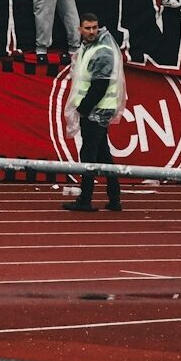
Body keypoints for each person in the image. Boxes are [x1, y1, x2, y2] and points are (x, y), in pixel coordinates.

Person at [62, 14, 126, 213]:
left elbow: (99, 86)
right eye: (87, 28)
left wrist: (82, 109)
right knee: (103, 154)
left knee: (89, 154)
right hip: (97, 109)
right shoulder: (89, 48)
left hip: (96, 110)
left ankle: (85, 199)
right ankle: (114, 199)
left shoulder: (102, 51)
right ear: (80, 29)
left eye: (94, 27)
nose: (91, 31)